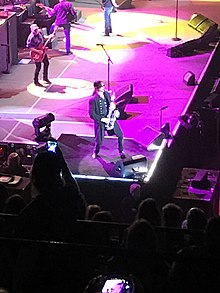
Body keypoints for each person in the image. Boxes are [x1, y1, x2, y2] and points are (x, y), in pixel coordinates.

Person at [89, 80, 125, 159]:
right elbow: (92, 114)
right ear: (96, 88)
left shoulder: (106, 94)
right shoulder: (93, 99)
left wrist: (115, 109)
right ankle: (96, 152)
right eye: (102, 86)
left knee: (120, 135)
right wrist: (102, 119)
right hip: (101, 122)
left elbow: (111, 104)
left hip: (110, 118)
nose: (103, 87)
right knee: (99, 140)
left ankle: (121, 151)